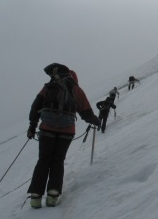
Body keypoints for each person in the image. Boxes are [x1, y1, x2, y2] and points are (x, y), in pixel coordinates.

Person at [26, 63, 101, 209]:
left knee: (43, 160)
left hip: (47, 129)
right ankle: (53, 195)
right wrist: (96, 121)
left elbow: (35, 106)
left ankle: (35, 197)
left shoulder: (48, 87)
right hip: (67, 131)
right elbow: (86, 113)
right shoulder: (77, 90)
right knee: (58, 160)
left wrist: (32, 126)